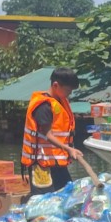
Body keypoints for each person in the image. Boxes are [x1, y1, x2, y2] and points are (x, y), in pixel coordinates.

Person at [21, 66, 83, 195]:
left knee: (67, 194)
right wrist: (69, 149)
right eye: (68, 90)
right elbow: (47, 134)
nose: (69, 93)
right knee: (45, 201)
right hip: (42, 164)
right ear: (56, 85)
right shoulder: (44, 106)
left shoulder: (60, 102)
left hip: (57, 163)